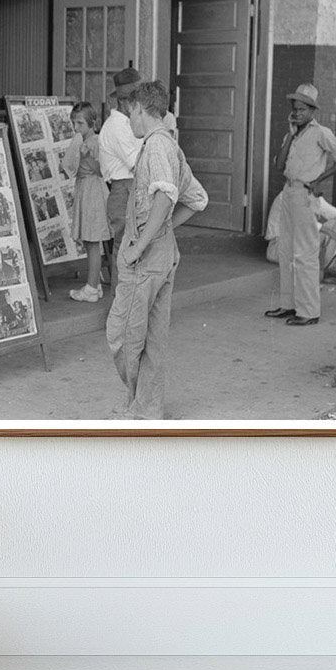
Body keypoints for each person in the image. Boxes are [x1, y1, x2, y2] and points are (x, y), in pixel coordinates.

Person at [105, 81, 207, 419]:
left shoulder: (157, 147)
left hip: (147, 260)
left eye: (129, 113)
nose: (128, 120)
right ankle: (147, 410)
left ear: (139, 109)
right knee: (151, 337)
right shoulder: (170, 146)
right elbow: (196, 198)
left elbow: (166, 196)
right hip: (163, 255)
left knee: (121, 336)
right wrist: (163, 231)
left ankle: (140, 407)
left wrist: (140, 245)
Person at [265, 83, 336, 326]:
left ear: (312, 111)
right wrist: (290, 135)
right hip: (288, 192)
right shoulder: (291, 134)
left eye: (303, 109)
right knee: (286, 252)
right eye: (295, 108)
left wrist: (319, 180)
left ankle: (309, 311)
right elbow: (279, 166)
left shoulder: (321, 133)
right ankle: (288, 305)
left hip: (305, 195)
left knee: (305, 254)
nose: (297, 112)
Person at [98, 68, 178, 284]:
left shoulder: (129, 124)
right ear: (127, 103)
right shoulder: (116, 126)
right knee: (125, 247)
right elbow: (137, 163)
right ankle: (120, 298)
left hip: (133, 188)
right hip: (123, 189)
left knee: (135, 246)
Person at [62, 102, 112, 302]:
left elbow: (101, 170)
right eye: (74, 123)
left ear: (92, 123)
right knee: (90, 240)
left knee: (92, 241)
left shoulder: (93, 142)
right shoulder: (82, 140)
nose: (76, 128)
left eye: (80, 123)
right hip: (86, 189)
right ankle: (95, 283)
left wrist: (86, 159)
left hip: (92, 190)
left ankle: (91, 287)